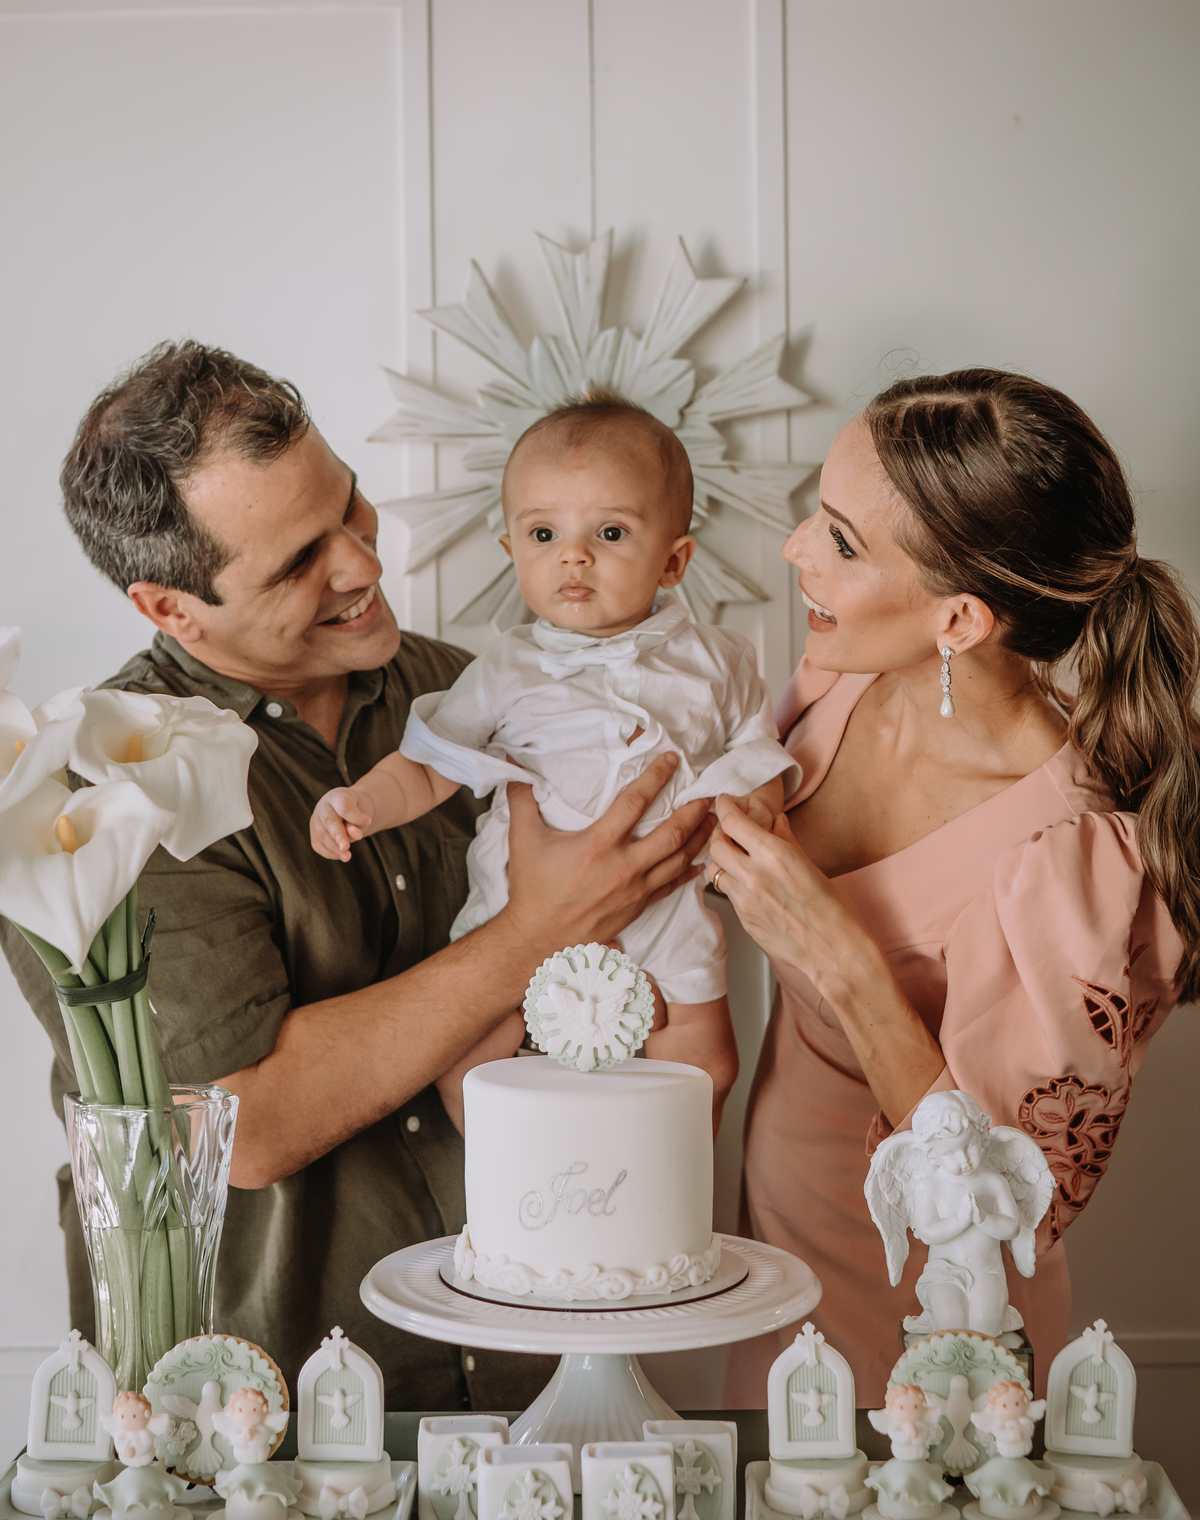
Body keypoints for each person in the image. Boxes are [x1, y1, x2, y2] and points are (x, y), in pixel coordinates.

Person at [0, 342, 715, 1408]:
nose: (361, 565)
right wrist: (539, 927)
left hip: (542, 1352)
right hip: (275, 1396)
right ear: (170, 608)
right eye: (299, 561)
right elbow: (245, 1122)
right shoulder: (96, 793)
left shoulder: (470, 694)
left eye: (349, 504)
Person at [709, 368, 1198, 1404]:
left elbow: (1014, 1204)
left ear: (961, 621)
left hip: (934, 1320)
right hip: (771, 1263)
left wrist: (844, 963)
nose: (795, 549)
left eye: (842, 543)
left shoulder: (1068, 856)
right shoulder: (846, 674)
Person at [311, 395, 796, 1123]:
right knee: (466, 1067)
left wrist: (753, 808)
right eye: (544, 533)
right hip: (517, 906)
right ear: (512, 551)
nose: (574, 555)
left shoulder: (717, 659)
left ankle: (652, 1173)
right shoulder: (505, 669)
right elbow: (428, 765)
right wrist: (364, 804)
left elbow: (755, 754)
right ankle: (522, 1177)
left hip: (666, 909)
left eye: (610, 532)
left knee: (709, 1064)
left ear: (673, 560)